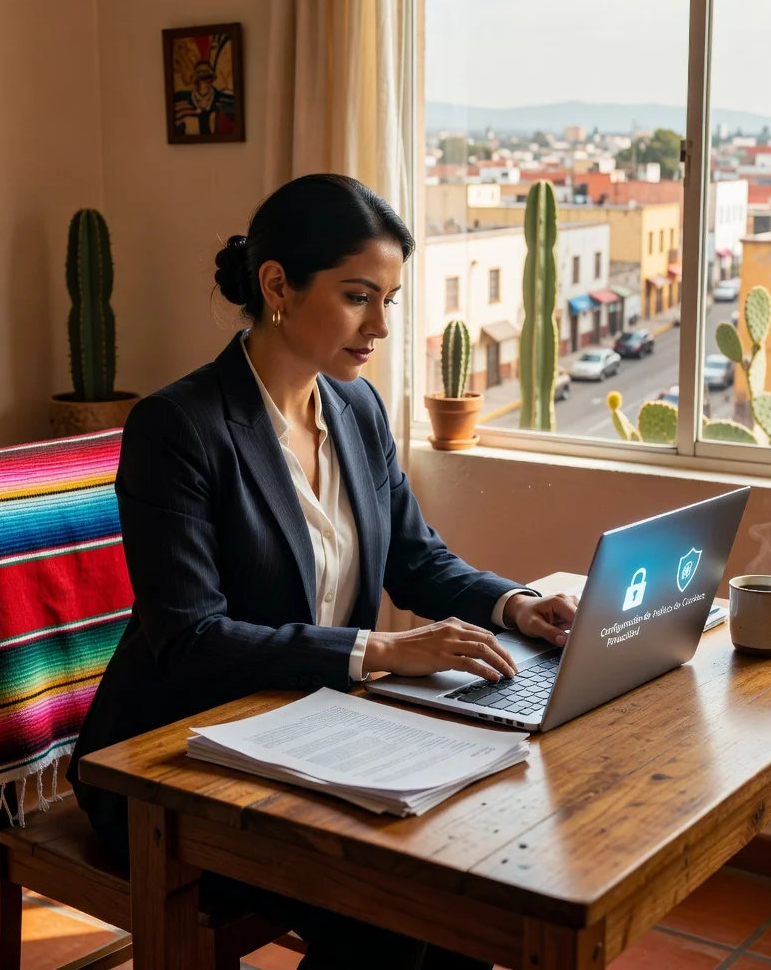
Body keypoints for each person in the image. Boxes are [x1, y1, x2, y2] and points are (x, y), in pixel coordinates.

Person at [68, 173, 577, 969]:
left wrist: (515, 606)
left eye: (390, 300)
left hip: (321, 732)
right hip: (173, 754)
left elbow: (415, 558)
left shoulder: (358, 408)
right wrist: (378, 653)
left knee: (464, 884)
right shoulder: (180, 427)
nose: (379, 325)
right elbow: (191, 639)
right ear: (277, 284)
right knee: (400, 903)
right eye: (356, 296)